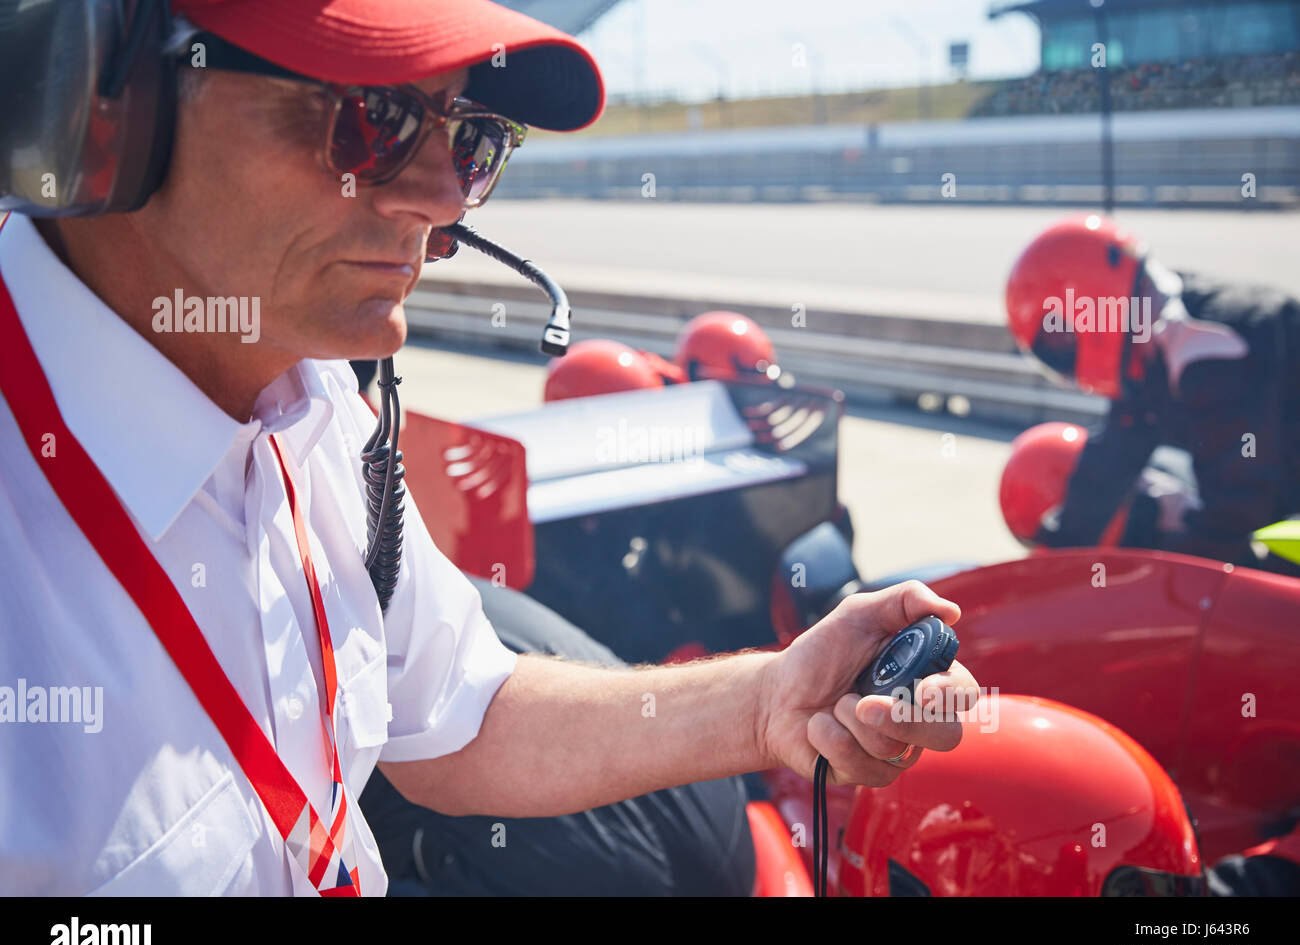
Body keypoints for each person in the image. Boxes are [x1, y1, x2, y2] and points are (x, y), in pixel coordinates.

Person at [0, 0, 978, 896]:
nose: (442, 200)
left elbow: (461, 720)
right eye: (369, 118)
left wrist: (768, 702)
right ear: (96, 99)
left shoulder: (319, 405)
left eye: (468, 139)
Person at [1004, 214, 1300, 573]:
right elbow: (1110, 462)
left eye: (1061, 335)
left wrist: (1157, 579)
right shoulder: (1151, 340)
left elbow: (1235, 508)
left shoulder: (1207, 345)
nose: (1063, 350)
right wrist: (1055, 558)